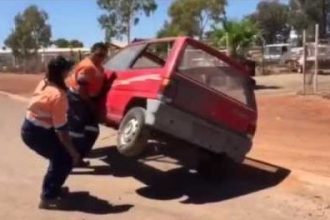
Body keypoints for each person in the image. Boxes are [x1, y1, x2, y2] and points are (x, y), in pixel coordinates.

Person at [21, 56, 80, 209]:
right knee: (63, 159)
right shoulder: (58, 96)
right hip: (36, 133)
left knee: (61, 158)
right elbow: (61, 131)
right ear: (61, 73)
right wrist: (73, 152)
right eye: (67, 70)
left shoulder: (45, 82)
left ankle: (53, 190)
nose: (69, 72)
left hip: (32, 128)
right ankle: (48, 197)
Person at [66, 42, 109, 165]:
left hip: (87, 100)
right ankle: (69, 160)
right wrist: (92, 106)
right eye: (99, 54)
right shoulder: (87, 66)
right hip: (78, 100)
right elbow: (82, 90)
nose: (101, 58)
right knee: (76, 132)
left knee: (91, 131)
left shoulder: (98, 66)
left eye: (104, 55)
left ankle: (77, 158)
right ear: (92, 53)